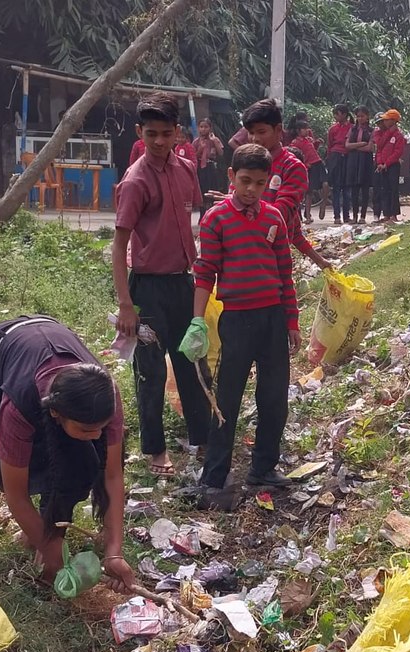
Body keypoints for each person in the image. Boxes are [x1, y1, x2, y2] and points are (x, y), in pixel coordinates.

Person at [0, 316, 135, 593]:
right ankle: (39, 532)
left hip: (51, 349)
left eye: (99, 429)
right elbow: (15, 492)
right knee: (11, 462)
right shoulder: (17, 406)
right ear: (56, 414)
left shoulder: (106, 398)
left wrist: (114, 551)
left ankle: (50, 524)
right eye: (86, 429)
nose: (96, 436)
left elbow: (113, 475)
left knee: (80, 466)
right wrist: (48, 544)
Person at [185, 143, 300, 505]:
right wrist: (197, 321)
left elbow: (285, 273)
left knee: (274, 399)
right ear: (231, 177)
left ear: (268, 184)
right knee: (227, 400)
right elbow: (205, 273)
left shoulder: (273, 218)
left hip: (272, 319)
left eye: (260, 183)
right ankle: (214, 475)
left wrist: (292, 321)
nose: (251, 190)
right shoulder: (216, 219)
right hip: (236, 320)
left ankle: (263, 468)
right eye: (245, 181)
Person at [112, 92, 211, 477]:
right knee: (150, 371)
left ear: (177, 134)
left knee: (193, 359)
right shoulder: (135, 181)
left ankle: (202, 439)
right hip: (147, 289)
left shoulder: (187, 170)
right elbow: (120, 244)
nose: (158, 141)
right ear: (140, 132)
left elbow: (195, 217)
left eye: (165, 133)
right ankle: (156, 451)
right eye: (150, 133)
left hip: (182, 284)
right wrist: (125, 304)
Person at [241, 98, 331, 270]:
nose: (255, 139)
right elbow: (295, 230)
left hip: (272, 260)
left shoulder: (293, 167)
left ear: (278, 130)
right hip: (242, 254)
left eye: (261, 132)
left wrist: (239, 205)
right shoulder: (245, 164)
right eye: (251, 132)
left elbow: (282, 216)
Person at [290, 121, 327, 224]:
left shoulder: (309, 139)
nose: (307, 130)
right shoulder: (295, 142)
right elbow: (296, 155)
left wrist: (316, 143)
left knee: (326, 184)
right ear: (298, 130)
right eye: (304, 129)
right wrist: (305, 164)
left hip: (318, 162)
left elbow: (312, 150)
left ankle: (323, 203)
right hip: (309, 166)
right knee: (309, 192)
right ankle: (307, 215)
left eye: (307, 128)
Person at [374, 109, 405, 223]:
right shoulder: (383, 134)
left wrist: (387, 163)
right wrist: (380, 163)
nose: (384, 122)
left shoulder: (399, 136)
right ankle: (386, 214)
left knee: (393, 189)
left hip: (392, 166)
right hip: (382, 166)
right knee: (385, 190)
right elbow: (380, 147)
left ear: (393, 121)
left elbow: (397, 152)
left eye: (386, 120)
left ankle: (394, 214)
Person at [345, 105, 375, 225]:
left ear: (367, 117)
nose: (360, 118)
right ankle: (355, 216)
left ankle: (363, 216)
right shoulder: (352, 129)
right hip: (353, 161)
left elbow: (370, 148)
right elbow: (347, 145)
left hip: (365, 161)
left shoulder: (371, 131)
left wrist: (355, 146)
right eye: (358, 116)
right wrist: (361, 144)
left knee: (365, 189)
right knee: (354, 190)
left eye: (362, 116)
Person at [327, 104, 354, 225]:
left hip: (348, 157)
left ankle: (346, 216)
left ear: (343, 114)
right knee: (336, 188)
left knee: (347, 188)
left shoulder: (352, 128)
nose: (336, 117)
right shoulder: (333, 129)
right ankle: (337, 216)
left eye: (337, 114)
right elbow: (330, 145)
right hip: (335, 157)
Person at [193, 118, 225, 218]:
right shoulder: (196, 141)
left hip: (212, 168)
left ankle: (214, 214)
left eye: (206, 127)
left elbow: (221, 153)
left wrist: (214, 141)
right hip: (201, 169)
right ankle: (202, 214)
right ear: (198, 128)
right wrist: (201, 148)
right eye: (201, 127)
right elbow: (193, 156)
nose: (203, 129)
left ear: (210, 128)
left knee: (213, 189)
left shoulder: (214, 140)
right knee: (203, 190)